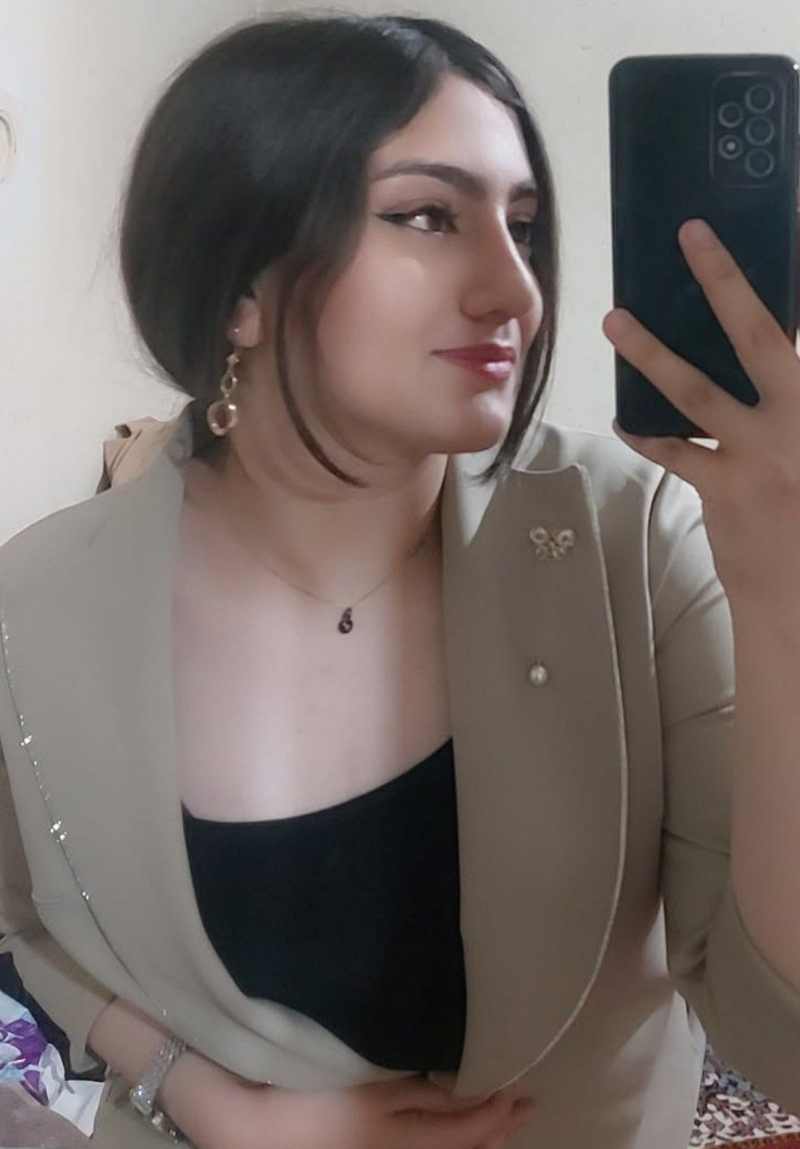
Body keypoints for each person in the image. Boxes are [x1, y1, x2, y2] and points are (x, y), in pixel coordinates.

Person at [1, 11, 799, 1149]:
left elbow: (780, 1036)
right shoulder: (38, 604)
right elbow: (26, 914)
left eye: (523, 226)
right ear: (238, 284)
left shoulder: (635, 539)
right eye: (427, 216)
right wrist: (204, 1096)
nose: (516, 291)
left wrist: (784, 600)